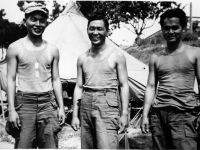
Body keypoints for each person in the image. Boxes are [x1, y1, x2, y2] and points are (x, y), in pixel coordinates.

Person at [6, 2, 65, 149]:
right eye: (33, 19)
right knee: (24, 145)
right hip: (24, 103)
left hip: (48, 103)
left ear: (46, 23)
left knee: (50, 145)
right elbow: (11, 79)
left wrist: (61, 107)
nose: (38, 24)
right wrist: (12, 110)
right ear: (26, 20)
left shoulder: (53, 50)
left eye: (42, 20)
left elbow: (56, 79)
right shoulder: (15, 47)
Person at [141, 8, 200, 150]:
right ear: (162, 29)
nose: (171, 32)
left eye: (175, 27)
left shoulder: (195, 53)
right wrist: (144, 115)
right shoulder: (156, 57)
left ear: (183, 28)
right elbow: (150, 87)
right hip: (158, 115)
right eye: (166, 28)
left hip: (184, 114)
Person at [71, 14, 129, 149]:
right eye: (91, 29)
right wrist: (75, 114)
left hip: (107, 105)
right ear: (87, 31)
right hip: (86, 104)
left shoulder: (117, 55)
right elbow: (79, 87)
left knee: (107, 146)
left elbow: (124, 85)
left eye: (99, 29)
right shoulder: (82, 58)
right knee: (88, 146)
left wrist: (124, 113)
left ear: (106, 31)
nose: (95, 32)